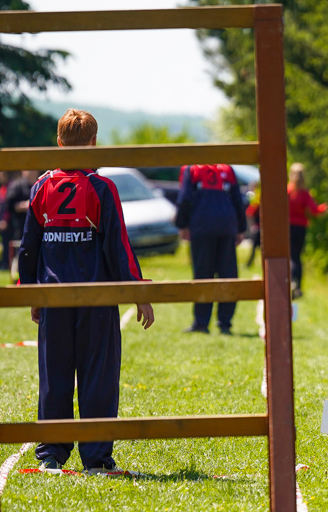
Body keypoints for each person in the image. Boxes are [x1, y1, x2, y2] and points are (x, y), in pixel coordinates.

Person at [18, 108, 155, 474]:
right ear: (94, 144)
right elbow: (118, 246)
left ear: (59, 143)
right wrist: (139, 291)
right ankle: (96, 460)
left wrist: (30, 293)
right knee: (98, 377)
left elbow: (28, 247)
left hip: (53, 299)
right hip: (97, 301)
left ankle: (51, 455)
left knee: (54, 377)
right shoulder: (102, 188)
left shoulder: (40, 186)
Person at [175, 163, 246, 334]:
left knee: (202, 274)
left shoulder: (191, 169)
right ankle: (225, 323)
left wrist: (182, 224)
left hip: (202, 226)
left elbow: (184, 198)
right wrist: (241, 228)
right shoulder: (227, 169)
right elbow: (238, 199)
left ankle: (201, 323)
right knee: (227, 275)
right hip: (226, 225)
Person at [287, 163, 327, 298]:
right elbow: (315, 210)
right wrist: (324, 207)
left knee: (290, 256)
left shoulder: (287, 191)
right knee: (297, 257)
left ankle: (291, 282)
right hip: (300, 228)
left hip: (287, 227)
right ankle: (297, 285)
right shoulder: (304, 193)